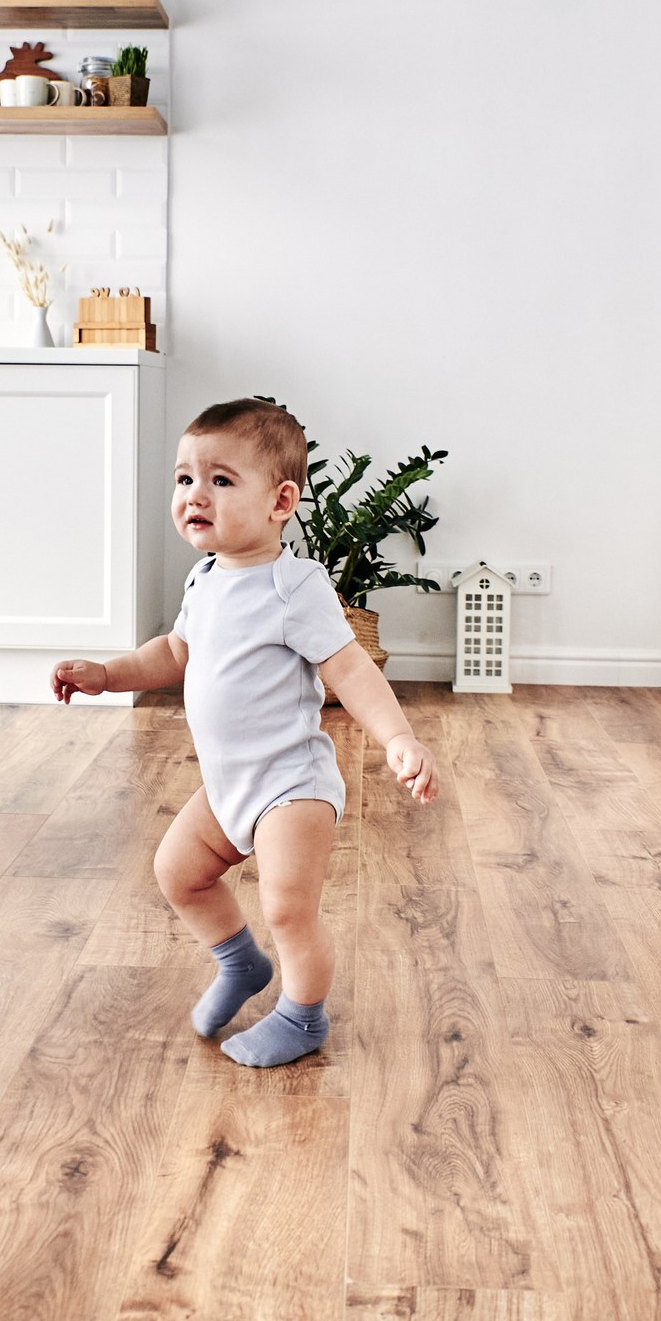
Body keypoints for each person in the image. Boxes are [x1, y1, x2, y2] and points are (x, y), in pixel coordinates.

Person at [51, 399, 439, 1067]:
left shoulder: (295, 587)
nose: (194, 494)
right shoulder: (205, 580)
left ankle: (303, 1015)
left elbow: (347, 666)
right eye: (184, 479)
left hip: (291, 784)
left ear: (280, 500)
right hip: (227, 784)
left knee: (288, 905)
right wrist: (107, 674)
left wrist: (397, 738)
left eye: (220, 480)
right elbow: (173, 654)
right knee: (178, 873)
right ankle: (240, 965)